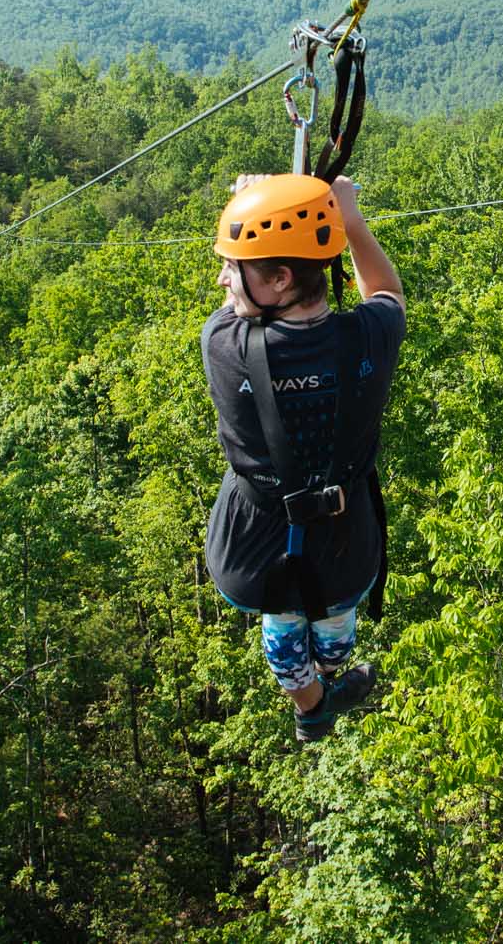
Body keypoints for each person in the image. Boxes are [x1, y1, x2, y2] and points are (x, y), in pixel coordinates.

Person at [200, 172, 406, 740]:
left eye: (232, 269)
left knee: (283, 630)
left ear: (281, 279)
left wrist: (249, 202)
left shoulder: (225, 348)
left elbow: (238, 303)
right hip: (345, 542)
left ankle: (310, 705)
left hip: (256, 546)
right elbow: (386, 294)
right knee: (336, 628)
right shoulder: (372, 337)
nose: (224, 281)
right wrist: (349, 218)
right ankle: (325, 689)